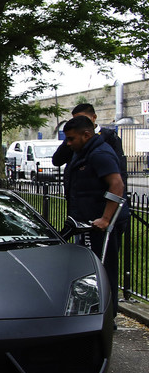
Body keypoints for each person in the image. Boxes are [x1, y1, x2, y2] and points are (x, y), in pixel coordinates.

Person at [62, 115, 128, 316]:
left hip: (99, 225)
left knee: (103, 271)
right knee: (87, 272)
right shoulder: (83, 153)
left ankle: (107, 315)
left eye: (71, 138)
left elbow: (117, 185)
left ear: (86, 135)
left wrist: (106, 219)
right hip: (85, 223)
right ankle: (90, 310)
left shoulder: (100, 154)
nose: (68, 143)